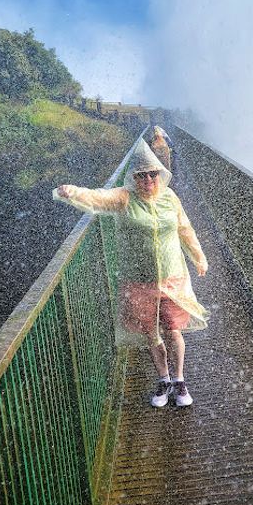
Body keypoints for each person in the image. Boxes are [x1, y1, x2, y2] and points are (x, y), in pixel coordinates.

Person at [53, 139, 208, 407]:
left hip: (172, 275)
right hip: (139, 279)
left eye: (153, 174)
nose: (148, 179)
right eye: (141, 175)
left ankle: (180, 380)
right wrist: (72, 191)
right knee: (151, 333)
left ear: (160, 174)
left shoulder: (170, 197)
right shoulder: (124, 198)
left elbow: (185, 228)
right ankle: (164, 379)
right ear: (133, 177)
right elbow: (98, 197)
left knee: (172, 330)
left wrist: (199, 257)